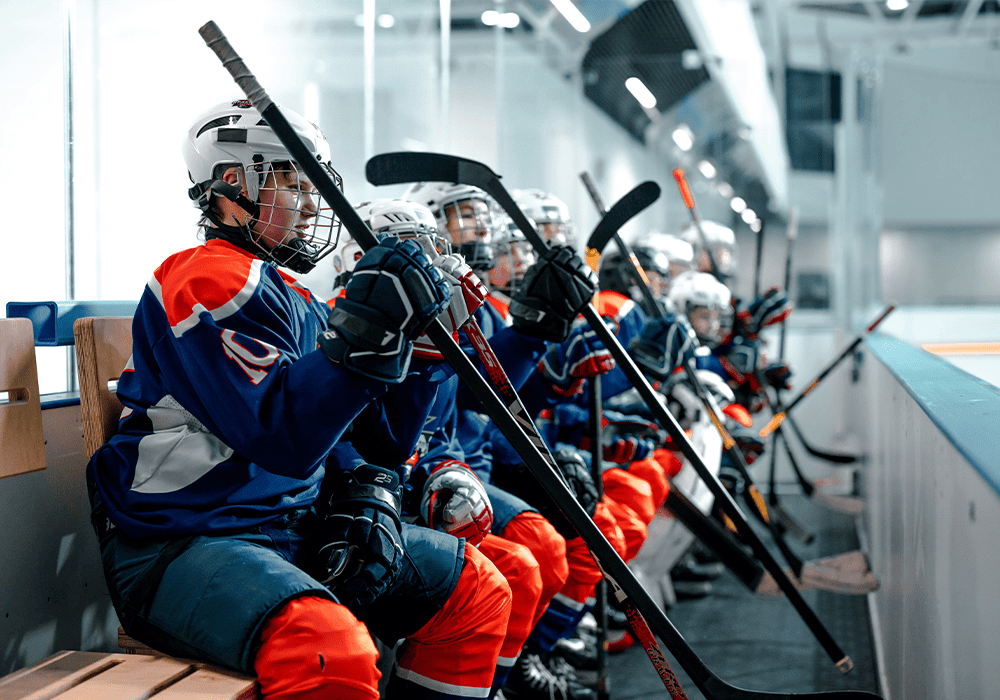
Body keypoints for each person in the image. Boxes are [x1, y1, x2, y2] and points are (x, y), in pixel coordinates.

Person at [85, 99, 512, 700]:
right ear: (233, 186)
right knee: (327, 650)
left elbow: (382, 442)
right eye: (293, 180)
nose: (313, 201)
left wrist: (420, 351)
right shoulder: (204, 278)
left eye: (316, 183)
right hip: (183, 544)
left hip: (286, 526)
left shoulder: (296, 297)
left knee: (473, 590)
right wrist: (367, 331)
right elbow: (281, 436)